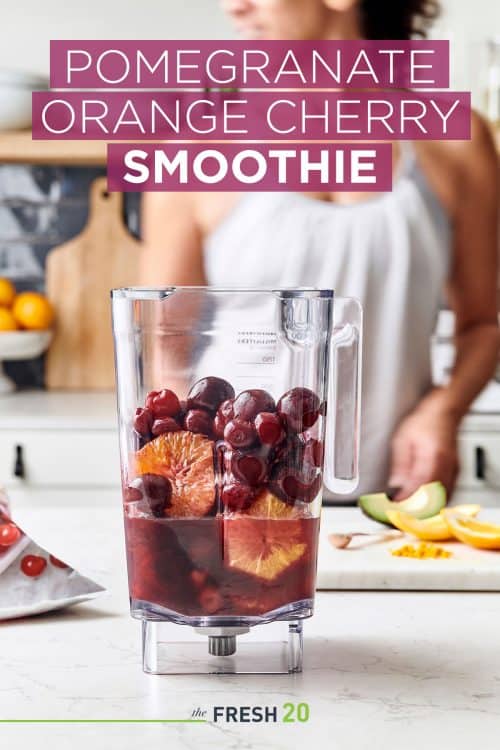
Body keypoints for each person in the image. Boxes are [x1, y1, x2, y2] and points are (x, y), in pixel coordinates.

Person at [140, 0, 500, 501]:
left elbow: (482, 323)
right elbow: (166, 345)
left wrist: (443, 410)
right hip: (234, 506)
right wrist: (191, 485)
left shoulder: (456, 142)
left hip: (392, 500)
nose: (234, 8)